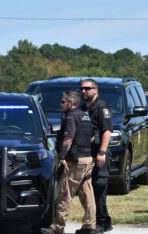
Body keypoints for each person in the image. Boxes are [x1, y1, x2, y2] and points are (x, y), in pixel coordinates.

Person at [41, 91, 96, 234]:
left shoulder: (71, 117)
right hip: (87, 159)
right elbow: (91, 138)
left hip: (75, 161)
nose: (61, 104)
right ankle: (90, 225)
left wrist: (63, 157)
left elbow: (68, 139)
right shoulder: (85, 116)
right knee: (87, 193)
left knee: (65, 193)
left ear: (71, 103)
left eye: (63, 102)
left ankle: (58, 227)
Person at [80, 79, 113, 233]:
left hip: (99, 153)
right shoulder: (83, 108)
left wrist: (102, 152)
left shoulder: (101, 107)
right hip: (86, 154)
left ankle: (100, 221)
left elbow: (107, 131)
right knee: (89, 188)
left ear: (96, 90)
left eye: (87, 88)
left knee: (99, 185)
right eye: (82, 88)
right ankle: (104, 220)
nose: (84, 91)